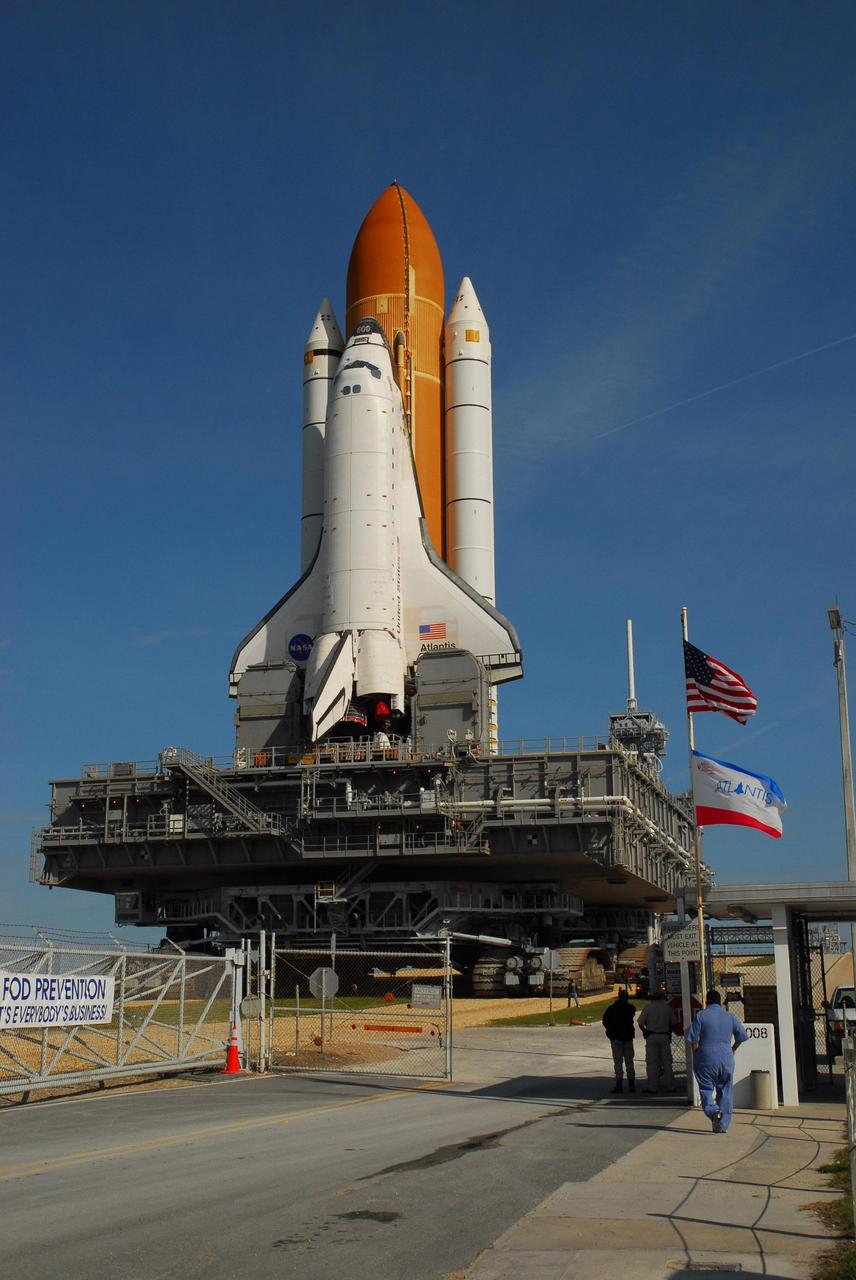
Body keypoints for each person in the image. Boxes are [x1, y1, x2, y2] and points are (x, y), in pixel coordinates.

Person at [687, 989, 749, 1133]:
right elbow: (742, 1036)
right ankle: (723, 1125)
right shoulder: (730, 1017)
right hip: (726, 1057)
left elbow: (694, 1040)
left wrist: (697, 1054)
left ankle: (714, 1112)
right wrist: (733, 1049)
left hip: (706, 1057)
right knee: (726, 1090)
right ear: (720, 1002)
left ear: (706, 1001)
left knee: (706, 1089)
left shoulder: (700, 1016)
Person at [638, 990, 678, 1092]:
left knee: (652, 1063)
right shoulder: (667, 1008)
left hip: (651, 1036)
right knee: (667, 1063)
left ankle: (653, 1086)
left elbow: (641, 1023)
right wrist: (669, 1031)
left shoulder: (648, 1008)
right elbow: (674, 1022)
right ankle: (670, 1086)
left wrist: (645, 1031)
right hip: (664, 1036)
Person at [602, 989, 636, 1093]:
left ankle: (619, 1084)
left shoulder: (612, 1009)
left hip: (616, 1037)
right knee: (629, 1061)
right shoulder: (630, 1008)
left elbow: (605, 1021)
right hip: (627, 1037)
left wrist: (610, 1032)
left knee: (618, 1062)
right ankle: (631, 1084)